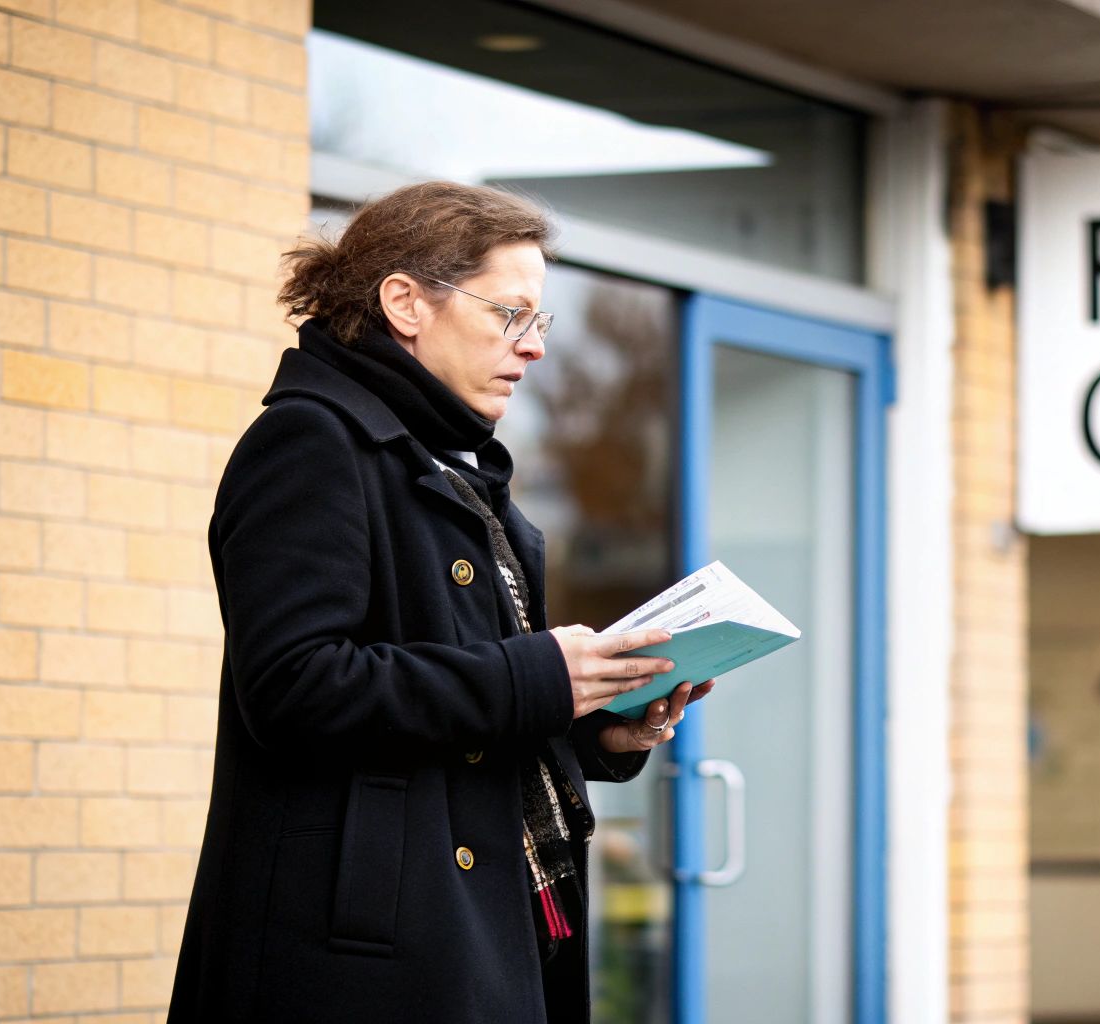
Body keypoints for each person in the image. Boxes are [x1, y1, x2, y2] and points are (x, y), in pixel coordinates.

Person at [168, 181, 714, 1023]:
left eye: (540, 323)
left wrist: (595, 722)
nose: (531, 349)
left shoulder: (447, 464)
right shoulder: (313, 442)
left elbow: (459, 691)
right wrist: (537, 676)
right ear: (406, 302)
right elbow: (294, 686)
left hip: (472, 928)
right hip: (360, 959)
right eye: (510, 314)